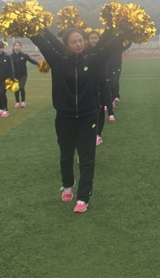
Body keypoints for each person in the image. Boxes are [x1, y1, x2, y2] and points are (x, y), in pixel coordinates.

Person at [31, 27, 125, 213]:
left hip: (87, 117)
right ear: (66, 44)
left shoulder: (93, 60)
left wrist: (124, 32)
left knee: (87, 158)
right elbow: (42, 43)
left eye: (81, 40)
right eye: (73, 41)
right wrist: (29, 28)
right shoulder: (58, 61)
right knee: (66, 155)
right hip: (65, 117)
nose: (78, 44)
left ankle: (83, 197)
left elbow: (110, 46)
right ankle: (68, 184)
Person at [86, 30, 115, 146]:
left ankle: (98, 134)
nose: (93, 40)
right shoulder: (85, 52)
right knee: (90, 108)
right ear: (88, 40)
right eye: (91, 38)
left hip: (103, 80)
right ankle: (89, 132)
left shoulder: (103, 50)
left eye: (96, 38)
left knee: (101, 106)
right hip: (89, 82)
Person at [10, 41, 39, 108]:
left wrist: (39, 64)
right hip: (14, 75)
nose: (17, 47)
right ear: (13, 47)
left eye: (18, 45)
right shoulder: (10, 56)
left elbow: (32, 61)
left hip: (23, 74)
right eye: (16, 45)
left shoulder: (24, 55)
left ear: (21, 47)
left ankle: (23, 102)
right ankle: (17, 102)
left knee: (21, 87)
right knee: (16, 88)